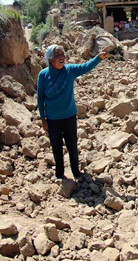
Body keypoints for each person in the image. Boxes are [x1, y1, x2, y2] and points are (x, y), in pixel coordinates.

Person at [37, 44, 110, 179]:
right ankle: (60, 175)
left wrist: (98, 58)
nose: (62, 57)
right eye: (58, 55)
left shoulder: (69, 70)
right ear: (50, 59)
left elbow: (85, 67)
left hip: (69, 116)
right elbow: (40, 97)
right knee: (57, 148)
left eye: (62, 54)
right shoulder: (43, 75)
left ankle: (76, 172)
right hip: (52, 120)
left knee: (72, 146)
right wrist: (43, 118)